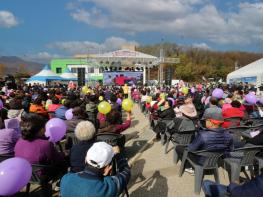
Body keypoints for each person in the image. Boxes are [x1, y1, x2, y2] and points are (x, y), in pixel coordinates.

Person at [61, 142, 131, 197]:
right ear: (107, 169)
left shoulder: (65, 179)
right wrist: (118, 155)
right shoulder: (106, 188)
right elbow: (125, 172)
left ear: (85, 159)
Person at [175, 108, 233, 174]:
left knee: (179, 148)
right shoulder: (229, 134)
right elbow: (229, 150)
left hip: (201, 162)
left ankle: (189, 167)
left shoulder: (203, 135)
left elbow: (190, 149)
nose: (205, 122)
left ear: (211, 122)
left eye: (206, 121)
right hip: (216, 162)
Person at [14, 113, 66, 177]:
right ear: (41, 129)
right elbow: (57, 160)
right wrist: (63, 154)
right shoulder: (46, 144)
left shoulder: (19, 141)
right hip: (41, 175)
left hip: (24, 174)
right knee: (64, 162)